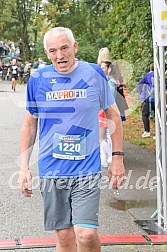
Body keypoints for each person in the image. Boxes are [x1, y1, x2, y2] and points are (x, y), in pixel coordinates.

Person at [18, 27, 125, 252]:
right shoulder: (38, 79)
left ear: (74, 47)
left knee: (86, 235)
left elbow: (114, 115)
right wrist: (24, 168)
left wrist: (117, 158)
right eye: (53, 50)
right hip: (52, 169)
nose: (60, 55)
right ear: (47, 53)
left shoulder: (94, 73)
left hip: (86, 167)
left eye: (64, 48)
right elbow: (29, 123)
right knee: (65, 237)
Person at [137, 63, 155, 138]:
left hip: (150, 98)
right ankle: (159, 133)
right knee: (159, 115)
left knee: (145, 114)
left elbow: (140, 84)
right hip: (159, 98)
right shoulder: (160, 74)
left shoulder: (148, 76)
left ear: (150, 68)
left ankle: (147, 131)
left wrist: (142, 93)